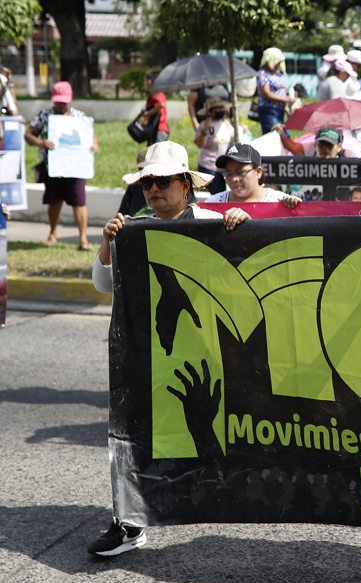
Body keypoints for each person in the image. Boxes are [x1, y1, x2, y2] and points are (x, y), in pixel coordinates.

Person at [88, 141, 251, 557]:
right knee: (137, 435)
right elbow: (103, 284)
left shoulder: (213, 222)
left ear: (185, 184)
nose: (153, 191)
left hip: (206, 361)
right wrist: (108, 243)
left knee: (205, 437)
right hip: (148, 358)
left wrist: (242, 220)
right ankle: (128, 522)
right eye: (146, 184)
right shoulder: (134, 229)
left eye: (161, 182)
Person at [25, 81, 100, 250]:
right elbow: (29, 135)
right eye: (58, 101)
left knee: (79, 201)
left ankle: (83, 239)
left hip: (76, 166)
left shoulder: (79, 117)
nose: (61, 104)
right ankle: (53, 232)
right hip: (54, 166)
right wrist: (41, 142)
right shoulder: (44, 116)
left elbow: (92, 136)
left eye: (64, 101)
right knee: (54, 200)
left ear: (70, 99)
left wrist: (94, 145)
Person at [207, 143, 300, 206]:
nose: (235, 179)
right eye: (229, 174)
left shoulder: (278, 201)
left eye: (240, 172)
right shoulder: (213, 203)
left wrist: (293, 206)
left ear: (258, 172)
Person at [194, 97, 233, 194]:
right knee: (217, 192)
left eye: (221, 108)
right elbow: (200, 144)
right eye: (216, 108)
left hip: (223, 167)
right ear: (210, 112)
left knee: (224, 192)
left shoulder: (226, 124)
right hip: (209, 165)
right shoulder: (205, 125)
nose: (220, 110)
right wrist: (204, 131)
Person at [256, 48, 293, 135]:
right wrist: (285, 99)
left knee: (286, 136)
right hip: (269, 110)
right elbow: (266, 94)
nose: (278, 65)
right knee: (276, 136)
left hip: (279, 110)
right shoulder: (262, 74)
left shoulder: (277, 73)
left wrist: (285, 105)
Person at [138, 70, 169, 144]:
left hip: (159, 129)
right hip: (155, 129)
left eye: (145, 81)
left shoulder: (157, 92)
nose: (144, 83)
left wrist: (147, 113)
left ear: (150, 81)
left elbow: (161, 105)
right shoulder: (154, 93)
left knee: (156, 154)